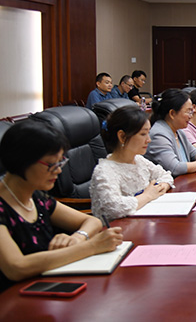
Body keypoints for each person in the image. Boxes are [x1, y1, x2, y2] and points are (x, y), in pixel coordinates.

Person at [0, 120, 123, 291]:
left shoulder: (36, 197)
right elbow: (16, 267)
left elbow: (92, 221)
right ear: (21, 161)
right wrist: (91, 246)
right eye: (52, 164)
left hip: (44, 287)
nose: (58, 170)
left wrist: (77, 238)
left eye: (60, 162)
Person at [90, 107, 175, 221]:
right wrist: (147, 196)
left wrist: (161, 186)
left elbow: (165, 175)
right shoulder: (104, 171)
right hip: (119, 228)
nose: (149, 140)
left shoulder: (139, 160)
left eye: (148, 133)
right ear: (122, 136)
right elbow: (114, 207)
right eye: (143, 134)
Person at [145, 88, 196, 177]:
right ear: (172, 113)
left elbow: (194, 153)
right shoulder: (159, 134)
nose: (191, 116)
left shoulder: (179, 131)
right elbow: (175, 168)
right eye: (188, 112)